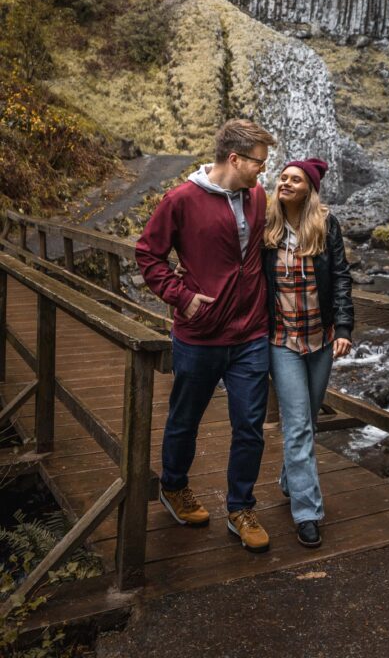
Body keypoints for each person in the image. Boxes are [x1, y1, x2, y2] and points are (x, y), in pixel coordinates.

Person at [135, 118, 276, 553]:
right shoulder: (180, 200)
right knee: (185, 420)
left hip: (251, 331)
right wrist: (183, 297)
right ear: (234, 159)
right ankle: (174, 486)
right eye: (258, 163)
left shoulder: (256, 196)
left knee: (250, 425)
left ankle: (241, 507)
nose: (263, 172)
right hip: (199, 335)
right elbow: (148, 254)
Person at [263, 157, 354, 548]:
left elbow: (341, 277)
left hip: (320, 338)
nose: (285, 183)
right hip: (282, 341)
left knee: (308, 422)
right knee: (297, 424)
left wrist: (345, 327)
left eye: (294, 179)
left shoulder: (326, 224)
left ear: (309, 189)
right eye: (282, 177)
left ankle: (290, 478)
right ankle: (308, 512)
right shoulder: (265, 226)